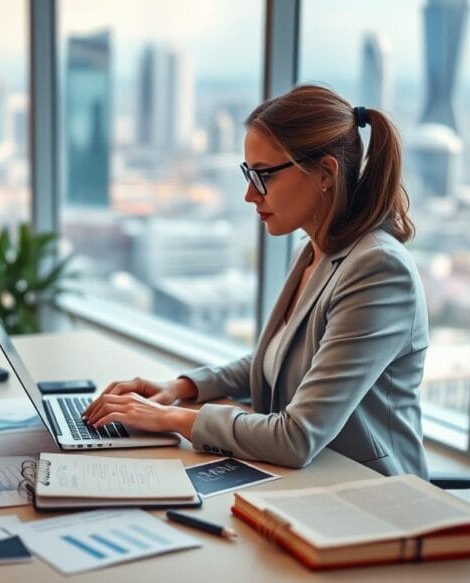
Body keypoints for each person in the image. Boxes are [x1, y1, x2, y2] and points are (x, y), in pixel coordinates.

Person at [83, 84, 429, 476]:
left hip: (372, 498)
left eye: (263, 175)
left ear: (325, 173)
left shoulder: (378, 270)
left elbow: (296, 438)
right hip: (308, 479)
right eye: (248, 173)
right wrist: (179, 389)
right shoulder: (316, 250)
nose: (250, 194)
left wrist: (169, 419)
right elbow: (275, 359)